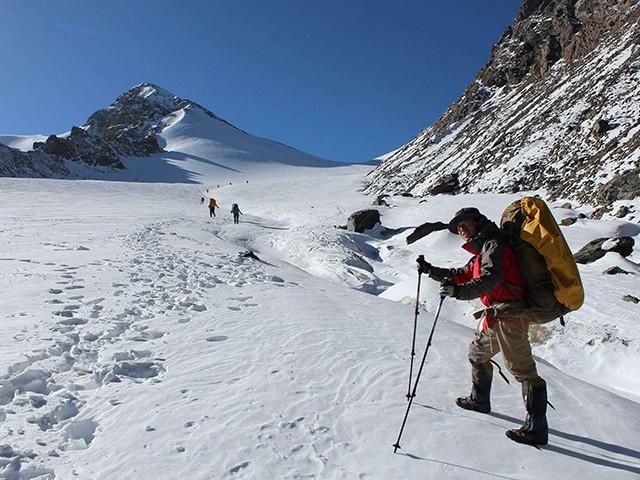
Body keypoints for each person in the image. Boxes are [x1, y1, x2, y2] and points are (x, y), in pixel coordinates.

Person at [416, 207, 549, 446]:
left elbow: (489, 280)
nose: (461, 230)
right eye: (458, 228)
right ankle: (479, 400)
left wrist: (458, 292)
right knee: (478, 354)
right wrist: (430, 271)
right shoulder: (483, 249)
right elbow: (462, 274)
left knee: (522, 369)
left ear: (477, 222)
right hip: (497, 315)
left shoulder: (494, 245)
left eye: (464, 224)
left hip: (511, 314)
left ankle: (536, 428)